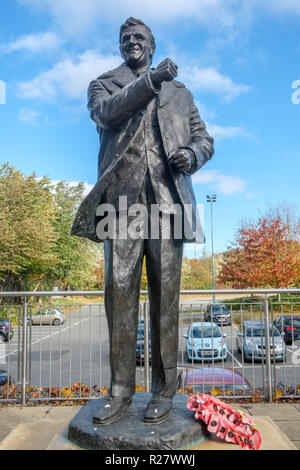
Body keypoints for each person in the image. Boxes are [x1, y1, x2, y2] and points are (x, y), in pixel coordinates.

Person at [71, 17, 214, 425]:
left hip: (168, 203)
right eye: (125, 39)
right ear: (120, 47)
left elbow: (204, 138)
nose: (132, 42)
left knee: (166, 300)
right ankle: (119, 393)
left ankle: (165, 392)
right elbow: (107, 115)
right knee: (119, 298)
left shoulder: (181, 95)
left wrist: (192, 154)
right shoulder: (104, 84)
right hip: (121, 206)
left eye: (139, 38)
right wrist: (151, 80)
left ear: (151, 44)